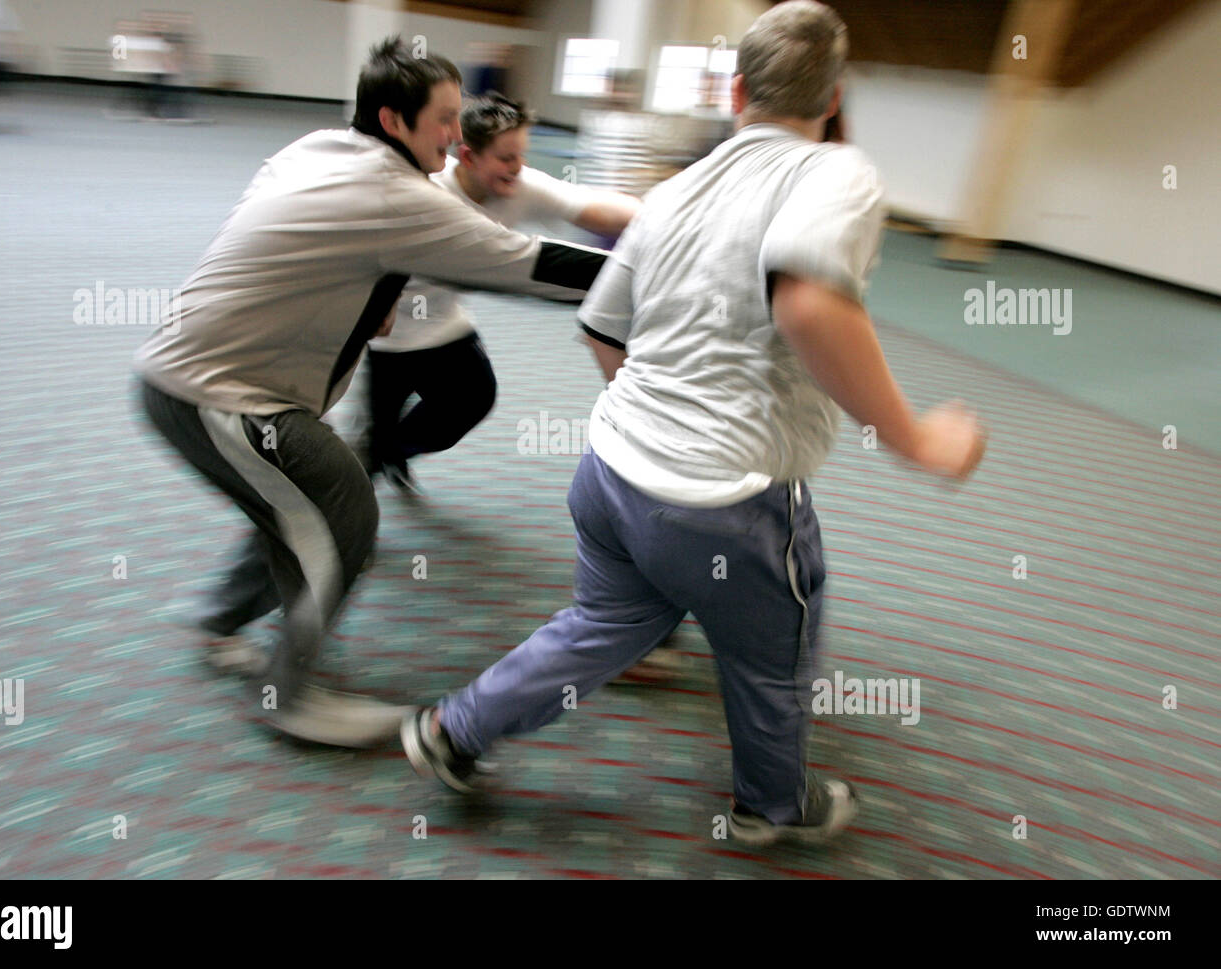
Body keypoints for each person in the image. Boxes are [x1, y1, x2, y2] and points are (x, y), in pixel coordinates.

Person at [401, 0, 987, 846]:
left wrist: (657, 421)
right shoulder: (835, 171)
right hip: (726, 497)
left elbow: (603, 325)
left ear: (737, 89)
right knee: (773, 653)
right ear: (833, 97)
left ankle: (454, 730)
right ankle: (771, 807)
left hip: (608, 473)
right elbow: (813, 303)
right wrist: (920, 440)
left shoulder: (676, 188)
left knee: (601, 624)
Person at [134, 37, 604, 747]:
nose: (456, 135)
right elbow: (524, 265)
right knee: (344, 513)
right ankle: (291, 697)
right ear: (393, 122)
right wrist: (645, 277)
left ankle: (217, 622)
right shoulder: (397, 195)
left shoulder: (317, 148)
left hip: (193, 380)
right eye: (444, 119)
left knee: (293, 505)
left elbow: (275, 220)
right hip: (219, 396)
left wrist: (359, 289)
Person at [362, 91, 640, 496]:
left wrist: (661, 216)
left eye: (521, 156)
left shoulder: (518, 182)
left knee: (472, 400)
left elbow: (592, 207)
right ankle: (353, 498)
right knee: (369, 444)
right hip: (386, 337)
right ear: (469, 156)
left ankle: (393, 451)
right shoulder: (428, 194)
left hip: (443, 325)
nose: (518, 168)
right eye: (506, 159)